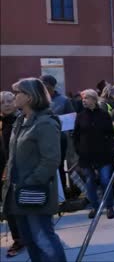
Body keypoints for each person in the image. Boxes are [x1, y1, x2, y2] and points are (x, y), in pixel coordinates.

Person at [1, 78, 67, 262]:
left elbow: (51, 160)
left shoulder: (45, 123)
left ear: (29, 97)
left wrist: (30, 182)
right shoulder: (21, 121)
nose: (15, 97)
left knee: (44, 239)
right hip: (19, 193)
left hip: (34, 192)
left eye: (18, 93)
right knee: (30, 241)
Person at [73, 89, 114, 219]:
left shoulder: (103, 115)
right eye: (83, 98)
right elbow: (76, 135)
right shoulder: (80, 116)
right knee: (90, 182)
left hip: (103, 154)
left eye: (86, 98)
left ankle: (109, 206)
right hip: (86, 156)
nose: (84, 100)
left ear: (93, 99)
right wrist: (79, 150)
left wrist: (108, 148)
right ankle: (95, 207)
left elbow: (110, 133)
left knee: (105, 180)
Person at [0, 91, 24, 257]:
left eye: (9, 100)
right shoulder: (2, 123)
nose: (7, 104)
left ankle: (20, 239)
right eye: (2, 102)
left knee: (14, 209)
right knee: (9, 209)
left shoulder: (21, 121)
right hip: (3, 171)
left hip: (15, 171)